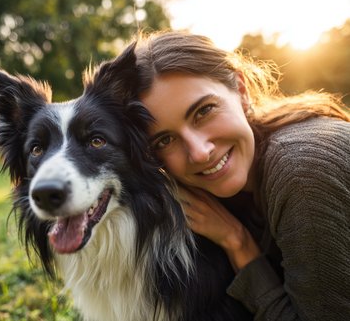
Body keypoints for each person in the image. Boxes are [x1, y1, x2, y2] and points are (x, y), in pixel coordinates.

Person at [131, 31, 350, 320]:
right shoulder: (223, 196)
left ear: (241, 91)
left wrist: (238, 244)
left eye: (204, 111)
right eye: (164, 140)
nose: (199, 152)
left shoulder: (299, 173)